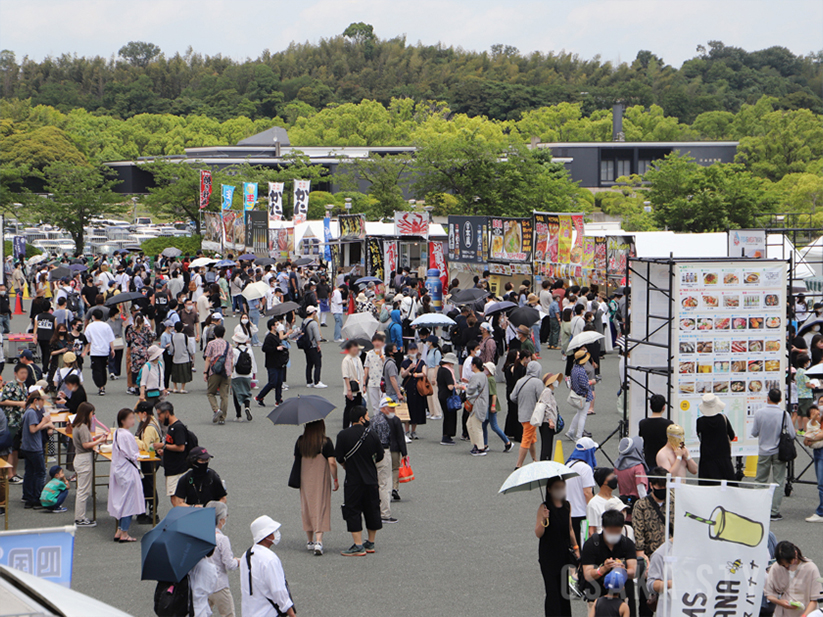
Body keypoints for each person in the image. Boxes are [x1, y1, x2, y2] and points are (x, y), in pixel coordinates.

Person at [335, 405, 384, 556]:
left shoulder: (343, 435)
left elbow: (339, 457)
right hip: (371, 479)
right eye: (367, 416)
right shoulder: (372, 434)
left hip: (353, 479)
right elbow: (380, 456)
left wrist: (346, 466)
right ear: (361, 418)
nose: (369, 418)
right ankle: (370, 542)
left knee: (353, 510)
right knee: (372, 509)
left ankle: (357, 544)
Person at [581, 509, 638, 617]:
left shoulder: (627, 544)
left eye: (617, 532)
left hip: (622, 598)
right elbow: (587, 575)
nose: (614, 535)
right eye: (610, 532)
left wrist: (623, 570)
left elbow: (633, 571)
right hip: (597, 598)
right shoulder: (592, 545)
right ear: (603, 528)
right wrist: (603, 569)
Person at [631, 467, 672, 616]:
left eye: (665, 485)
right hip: (649, 560)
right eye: (659, 486)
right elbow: (639, 537)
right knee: (646, 605)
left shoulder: (675, 503)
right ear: (652, 485)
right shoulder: (641, 506)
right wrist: (646, 564)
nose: (663, 489)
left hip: (671, 561)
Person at [293, 419, 338, 556]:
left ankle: (309, 540)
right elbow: (332, 462)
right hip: (321, 477)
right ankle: (319, 540)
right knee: (321, 504)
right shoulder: (326, 442)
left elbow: (296, 459)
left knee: (307, 505)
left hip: (305, 477)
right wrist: (335, 478)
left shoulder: (301, 441)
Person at [535, 476, 578, 617]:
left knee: (563, 591)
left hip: (563, 554)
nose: (560, 491)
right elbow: (538, 533)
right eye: (557, 488)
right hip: (548, 555)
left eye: (562, 487)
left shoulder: (567, 506)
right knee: (552, 591)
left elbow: (570, 528)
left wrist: (576, 548)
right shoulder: (544, 507)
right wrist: (543, 519)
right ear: (549, 490)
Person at [240, 515, 296, 616]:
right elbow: (278, 590)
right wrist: (291, 613)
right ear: (266, 536)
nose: (276, 534)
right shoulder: (270, 559)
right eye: (273, 531)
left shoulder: (246, 555)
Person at [753, 388, 795, 521]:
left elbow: (754, 432)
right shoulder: (784, 414)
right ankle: (774, 511)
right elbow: (792, 434)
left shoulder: (759, 413)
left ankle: (758, 508)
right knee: (778, 481)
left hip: (764, 451)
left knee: (760, 480)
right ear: (781, 400)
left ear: (767, 398)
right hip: (779, 451)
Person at [107, 407, 145, 542]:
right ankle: (124, 532)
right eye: (130, 418)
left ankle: (119, 530)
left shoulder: (118, 432)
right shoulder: (126, 435)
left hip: (120, 470)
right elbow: (131, 453)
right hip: (127, 471)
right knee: (129, 501)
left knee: (122, 499)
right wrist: (141, 454)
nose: (132, 420)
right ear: (123, 420)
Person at [764, 541, 821, 616]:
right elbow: (769, 594)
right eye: (784, 566)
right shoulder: (776, 567)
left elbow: (814, 600)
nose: (787, 568)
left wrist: (804, 616)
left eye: (790, 564)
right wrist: (780, 602)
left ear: (796, 554)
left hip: (807, 613)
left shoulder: (811, 568)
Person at [72, 402, 106, 526]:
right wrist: (100, 440)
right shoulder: (83, 427)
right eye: (92, 413)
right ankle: (80, 518)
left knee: (82, 489)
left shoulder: (78, 426)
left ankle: (80, 516)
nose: (93, 416)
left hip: (79, 458)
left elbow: (86, 441)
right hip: (84, 459)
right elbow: (86, 444)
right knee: (83, 491)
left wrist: (96, 438)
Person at [205, 500, 239, 617]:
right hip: (220, 586)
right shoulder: (222, 539)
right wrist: (238, 562)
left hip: (203, 585)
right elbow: (229, 564)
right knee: (228, 614)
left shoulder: (201, 536)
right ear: (221, 520)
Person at [21, 389, 53, 509]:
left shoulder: (28, 411)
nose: (43, 404)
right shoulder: (32, 413)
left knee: (29, 472)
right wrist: (45, 421)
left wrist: (46, 425)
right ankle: (37, 498)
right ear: (36, 400)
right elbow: (33, 429)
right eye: (41, 401)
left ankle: (28, 497)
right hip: (34, 447)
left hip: (27, 446)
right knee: (40, 472)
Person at [695, 393, 736, 485]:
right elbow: (732, 436)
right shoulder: (723, 418)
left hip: (707, 459)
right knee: (728, 488)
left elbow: (700, 437)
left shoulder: (700, 421)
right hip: (723, 459)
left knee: (708, 488)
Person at [154, 401, 190, 503]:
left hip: (177, 469)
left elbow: (181, 447)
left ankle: (185, 517)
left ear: (167, 413)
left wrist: (163, 445)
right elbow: (173, 446)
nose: (158, 418)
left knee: (176, 500)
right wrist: (165, 451)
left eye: (159, 414)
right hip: (171, 468)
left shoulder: (178, 427)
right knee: (174, 498)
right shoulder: (171, 427)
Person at [1, 364, 31, 484]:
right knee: (10, 448)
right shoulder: (10, 385)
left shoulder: (24, 385)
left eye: (25, 373)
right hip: (10, 420)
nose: (24, 375)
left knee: (16, 449)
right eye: (22, 373)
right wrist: (19, 403)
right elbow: (3, 401)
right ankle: (9, 474)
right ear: (15, 373)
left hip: (20, 421)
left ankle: (14, 472)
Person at [134, 401, 162, 524]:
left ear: (144, 413)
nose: (138, 417)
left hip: (150, 459)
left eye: (139, 414)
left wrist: (134, 439)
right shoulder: (150, 421)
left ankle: (152, 511)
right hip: (148, 459)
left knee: (149, 485)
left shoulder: (149, 427)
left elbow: (146, 446)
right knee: (146, 484)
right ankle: (144, 511)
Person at [513, 360, 544, 468]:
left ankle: (535, 459)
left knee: (531, 438)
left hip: (522, 414)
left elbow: (513, 397)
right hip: (532, 416)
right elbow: (542, 398)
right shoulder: (537, 382)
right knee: (526, 439)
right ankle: (519, 464)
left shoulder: (520, 381)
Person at [204, 324, 234, 425]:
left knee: (210, 393)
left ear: (214, 333)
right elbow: (231, 360)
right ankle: (222, 417)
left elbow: (208, 358)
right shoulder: (229, 345)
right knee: (224, 395)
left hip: (215, 371)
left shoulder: (211, 344)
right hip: (226, 372)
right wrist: (231, 371)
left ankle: (216, 410)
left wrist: (205, 372)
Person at [256, 318, 288, 408]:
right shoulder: (269, 337)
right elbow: (264, 348)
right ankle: (260, 396)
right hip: (272, 363)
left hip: (279, 362)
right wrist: (276, 348)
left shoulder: (277, 335)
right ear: (272, 327)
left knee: (279, 382)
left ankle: (278, 399)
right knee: (273, 382)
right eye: (276, 324)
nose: (278, 326)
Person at [614, 436, 649, 520]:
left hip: (623, 505)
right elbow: (641, 490)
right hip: (636, 508)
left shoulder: (617, 466)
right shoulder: (638, 467)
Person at [482, 361, 513, 453]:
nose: (484, 370)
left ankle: (507, 442)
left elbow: (494, 394)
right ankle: (485, 444)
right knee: (485, 425)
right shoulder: (488, 378)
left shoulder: (490, 379)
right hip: (489, 404)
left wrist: (493, 406)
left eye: (485, 369)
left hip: (490, 404)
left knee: (494, 426)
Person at [400, 342, 428, 440]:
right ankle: (406, 430)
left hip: (418, 387)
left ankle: (413, 431)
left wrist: (414, 375)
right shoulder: (405, 362)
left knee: (417, 408)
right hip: (408, 387)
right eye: (411, 350)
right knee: (408, 408)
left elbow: (424, 373)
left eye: (414, 350)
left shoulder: (421, 362)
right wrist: (409, 369)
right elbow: (402, 374)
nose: (413, 351)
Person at [84, 308, 115, 396]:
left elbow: (87, 339)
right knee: (103, 368)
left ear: (93, 317)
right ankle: (103, 385)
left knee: (96, 369)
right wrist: (112, 349)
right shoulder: (106, 325)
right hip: (105, 350)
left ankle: (100, 386)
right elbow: (111, 338)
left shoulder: (90, 326)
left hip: (95, 351)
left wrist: (87, 349)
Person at [637, 394, 673, 471]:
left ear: (650, 407)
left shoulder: (643, 423)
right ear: (664, 407)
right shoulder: (668, 424)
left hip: (648, 460)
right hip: (664, 460)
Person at [588, 467, 627, 535]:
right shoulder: (593, 503)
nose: (615, 478)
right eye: (612, 476)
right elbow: (592, 530)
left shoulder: (617, 500)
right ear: (604, 481)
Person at [566, 348, 594, 441]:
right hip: (584, 396)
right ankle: (578, 435)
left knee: (579, 414)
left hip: (577, 394)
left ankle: (571, 431)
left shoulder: (574, 368)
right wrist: (592, 382)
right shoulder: (581, 371)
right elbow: (585, 385)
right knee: (582, 416)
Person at [464, 356, 489, 456]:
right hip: (481, 402)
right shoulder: (483, 375)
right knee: (470, 424)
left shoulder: (476, 376)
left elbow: (470, 390)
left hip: (477, 404)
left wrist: (464, 387)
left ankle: (480, 447)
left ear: (474, 365)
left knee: (476, 426)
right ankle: (476, 444)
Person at [230, 331, 257, 422]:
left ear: (236, 342)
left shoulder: (234, 351)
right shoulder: (249, 350)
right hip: (247, 374)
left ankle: (239, 415)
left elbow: (232, 363)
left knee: (236, 394)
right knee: (247, 392)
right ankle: (247, 406)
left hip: (236, 375)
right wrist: (252, 374)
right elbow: (252, 362)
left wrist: (229, 373)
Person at [804, 406, 823, 522]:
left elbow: (812, 437)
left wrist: (810, 438)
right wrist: (808, 439)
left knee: (821, 484)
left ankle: (821, 512)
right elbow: (806, 440)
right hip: (818, 451)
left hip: (821, 451)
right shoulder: (814, 423)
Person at [437, 352, 459, 446]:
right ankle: (446, 436)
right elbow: (450, 386)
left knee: (447, 416)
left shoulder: (441, 369)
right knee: (450, 416)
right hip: (447, 396)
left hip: (441, 394)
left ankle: (446, 435)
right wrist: (458, 386)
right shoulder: (447, 371)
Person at [341, 340, 364, 429]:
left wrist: (363, 385)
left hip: (359, 387)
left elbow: (361, 373)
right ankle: (346, 426)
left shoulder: (358, 359)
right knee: (349, 407)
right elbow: (345, 375)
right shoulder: (346, 360)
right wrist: (348, 389)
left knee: (358, 407)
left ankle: (356, 425)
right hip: (351, 387)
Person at [363, 333, 386, 413]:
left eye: (379, 341)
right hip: (372, 382)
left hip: (382, 382)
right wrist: (363, 383)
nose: (377, 343)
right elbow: (366, 368)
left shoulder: (385, 353)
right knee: (374, 405)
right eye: (375, 341)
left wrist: (381, 356)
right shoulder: (369, 354)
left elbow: (387, 364)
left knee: (383, 404)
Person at [170, 321, 193, 393]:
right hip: (185, 357)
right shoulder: (185, 336)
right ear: (182, 329)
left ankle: (175, 387)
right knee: (184, 373)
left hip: (176, 357)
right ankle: (182, 388)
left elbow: (171, 349)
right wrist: (191, 354)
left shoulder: (173, 336)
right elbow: (189, 347)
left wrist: (173, 353)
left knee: (175, 373)